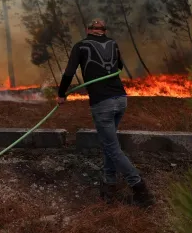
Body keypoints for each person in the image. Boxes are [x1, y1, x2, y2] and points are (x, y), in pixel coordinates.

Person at [57, 18, 155, 208]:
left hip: (103, 102)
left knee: (112, 148)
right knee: (110, 144)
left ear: (88, 30)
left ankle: (140, 189)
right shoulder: (112, 43)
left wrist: (61, 94)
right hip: (120, 99)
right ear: (104, 31)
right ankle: (109, 182)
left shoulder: (81, 46)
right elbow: (118, 67)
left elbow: (69, 72)